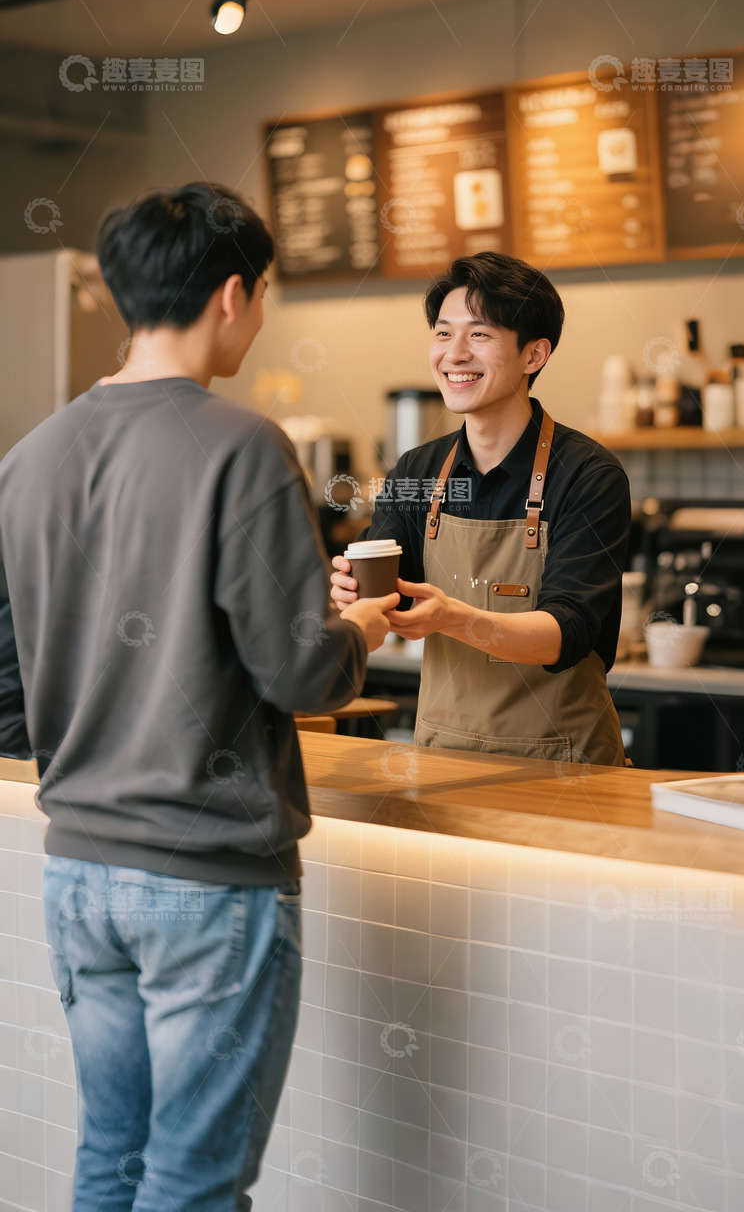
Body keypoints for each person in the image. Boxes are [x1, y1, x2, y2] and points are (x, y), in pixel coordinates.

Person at [0, 183, 398, 1212]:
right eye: (262, 294)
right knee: (192, 1182)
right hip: (208, 876)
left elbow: (14, 672)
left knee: (110, 1160)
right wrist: (363, 624)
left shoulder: (30, 457)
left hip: (78, 870)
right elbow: (301, 673)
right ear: (232, 293)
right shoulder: (240, 444)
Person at [331, 251, 631, 764]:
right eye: (444, 333)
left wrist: (452, 617)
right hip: (442, 758)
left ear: (534, 355)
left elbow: (568, 632)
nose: (455, 354)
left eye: (481, 335)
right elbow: (388, 610)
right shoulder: (416, 474)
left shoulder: (588, 475)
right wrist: (354, 597)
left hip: (564, 765)